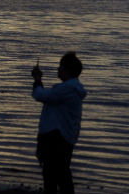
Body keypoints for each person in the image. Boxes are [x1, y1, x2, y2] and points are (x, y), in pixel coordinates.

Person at [31, 52, 87, 194]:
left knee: (52, 175)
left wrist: (37, 80)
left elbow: (41, 95)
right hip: (65, 137)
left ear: (67, 70)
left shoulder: (67, 89)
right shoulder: (71, 88)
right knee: (62, 174)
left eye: (60, 66)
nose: (58, 69)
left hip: (57, 138)